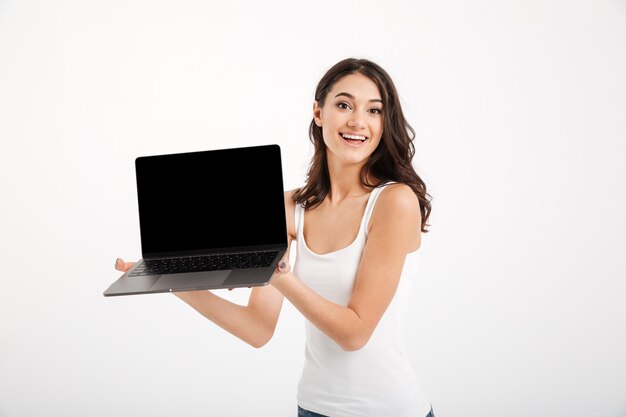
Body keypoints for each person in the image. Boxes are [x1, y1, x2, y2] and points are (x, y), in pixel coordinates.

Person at [115, 58, 434, 417]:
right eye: (344, 105)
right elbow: (257, 328)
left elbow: (354, 333)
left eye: (374, 110)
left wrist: (279, 275)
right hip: (313, 407)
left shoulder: (394, 202)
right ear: (318, 112)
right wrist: (174, 281)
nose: (358, 121)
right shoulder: (290, 207)